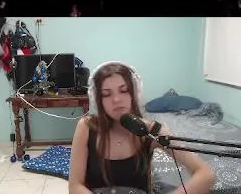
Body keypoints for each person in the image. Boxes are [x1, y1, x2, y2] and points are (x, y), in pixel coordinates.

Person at [68, 61, 216, 194]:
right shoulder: (86, 127)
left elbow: (205, 174)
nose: (116, 99)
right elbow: (75, 186)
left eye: (124, 90)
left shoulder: (151, 131)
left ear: (134, 93)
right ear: (98, 100)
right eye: (106, 94)